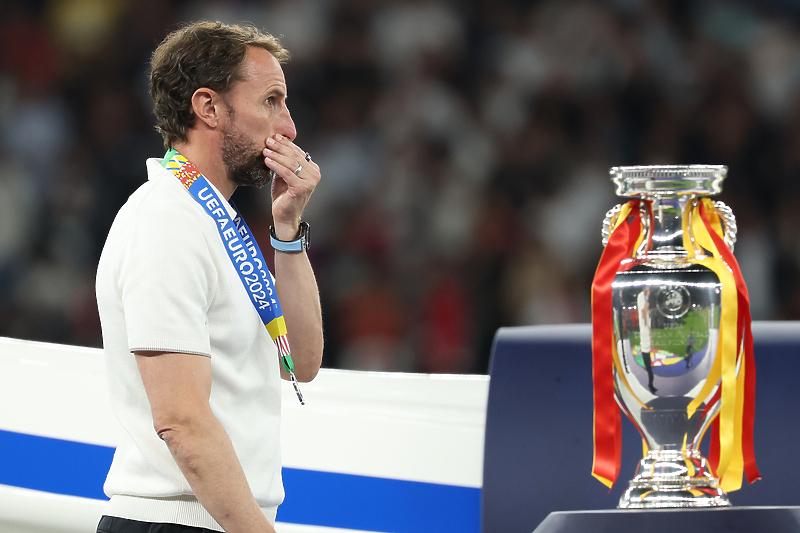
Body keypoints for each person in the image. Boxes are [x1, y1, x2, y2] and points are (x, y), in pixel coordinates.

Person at [94, 21, 323, 533]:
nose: (288, 127)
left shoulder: (215, 223)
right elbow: (182, 422)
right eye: (272, 101)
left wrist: (286, 230)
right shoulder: (166, 221)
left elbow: (301, 362)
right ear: (208, 107)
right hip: (177, 519)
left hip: (216, 518)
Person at [637, 286, 656, 394]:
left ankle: (651, 384)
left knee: (649, 368)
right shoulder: (642, 297)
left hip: (646, 335)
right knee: (649, 369)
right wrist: (647, 297)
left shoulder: (643, 297)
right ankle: (650, 385)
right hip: (645, 341)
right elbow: (644, 311)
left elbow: (645, 312)